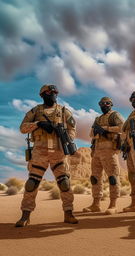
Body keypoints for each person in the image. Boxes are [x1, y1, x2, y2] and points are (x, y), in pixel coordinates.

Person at [15, 84, 78, 227]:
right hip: (39, 153)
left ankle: (68, 213)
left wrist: (64, 135)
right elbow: (23, 128)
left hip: (59, 152)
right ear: (42, 94)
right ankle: (25, 215)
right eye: (49, 92)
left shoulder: (63, 111)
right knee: (32, 183)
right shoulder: (36, 111)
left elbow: (72, 129)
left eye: (55, 92)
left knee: (64, 183)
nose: (53, 94)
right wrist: (38, 124)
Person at [83, 97, 124, 215]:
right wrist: (97, 131)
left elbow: (122, 127)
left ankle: (113, 205)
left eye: (107, 103)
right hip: (97, 150)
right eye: (101, 103)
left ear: (111, 104)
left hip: (110, 150)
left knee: (113, 178)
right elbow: (91, 133)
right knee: (95, 178)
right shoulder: (98, 119)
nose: (104, 105)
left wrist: (105, 129)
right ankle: (95, 204)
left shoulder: (115, 115)